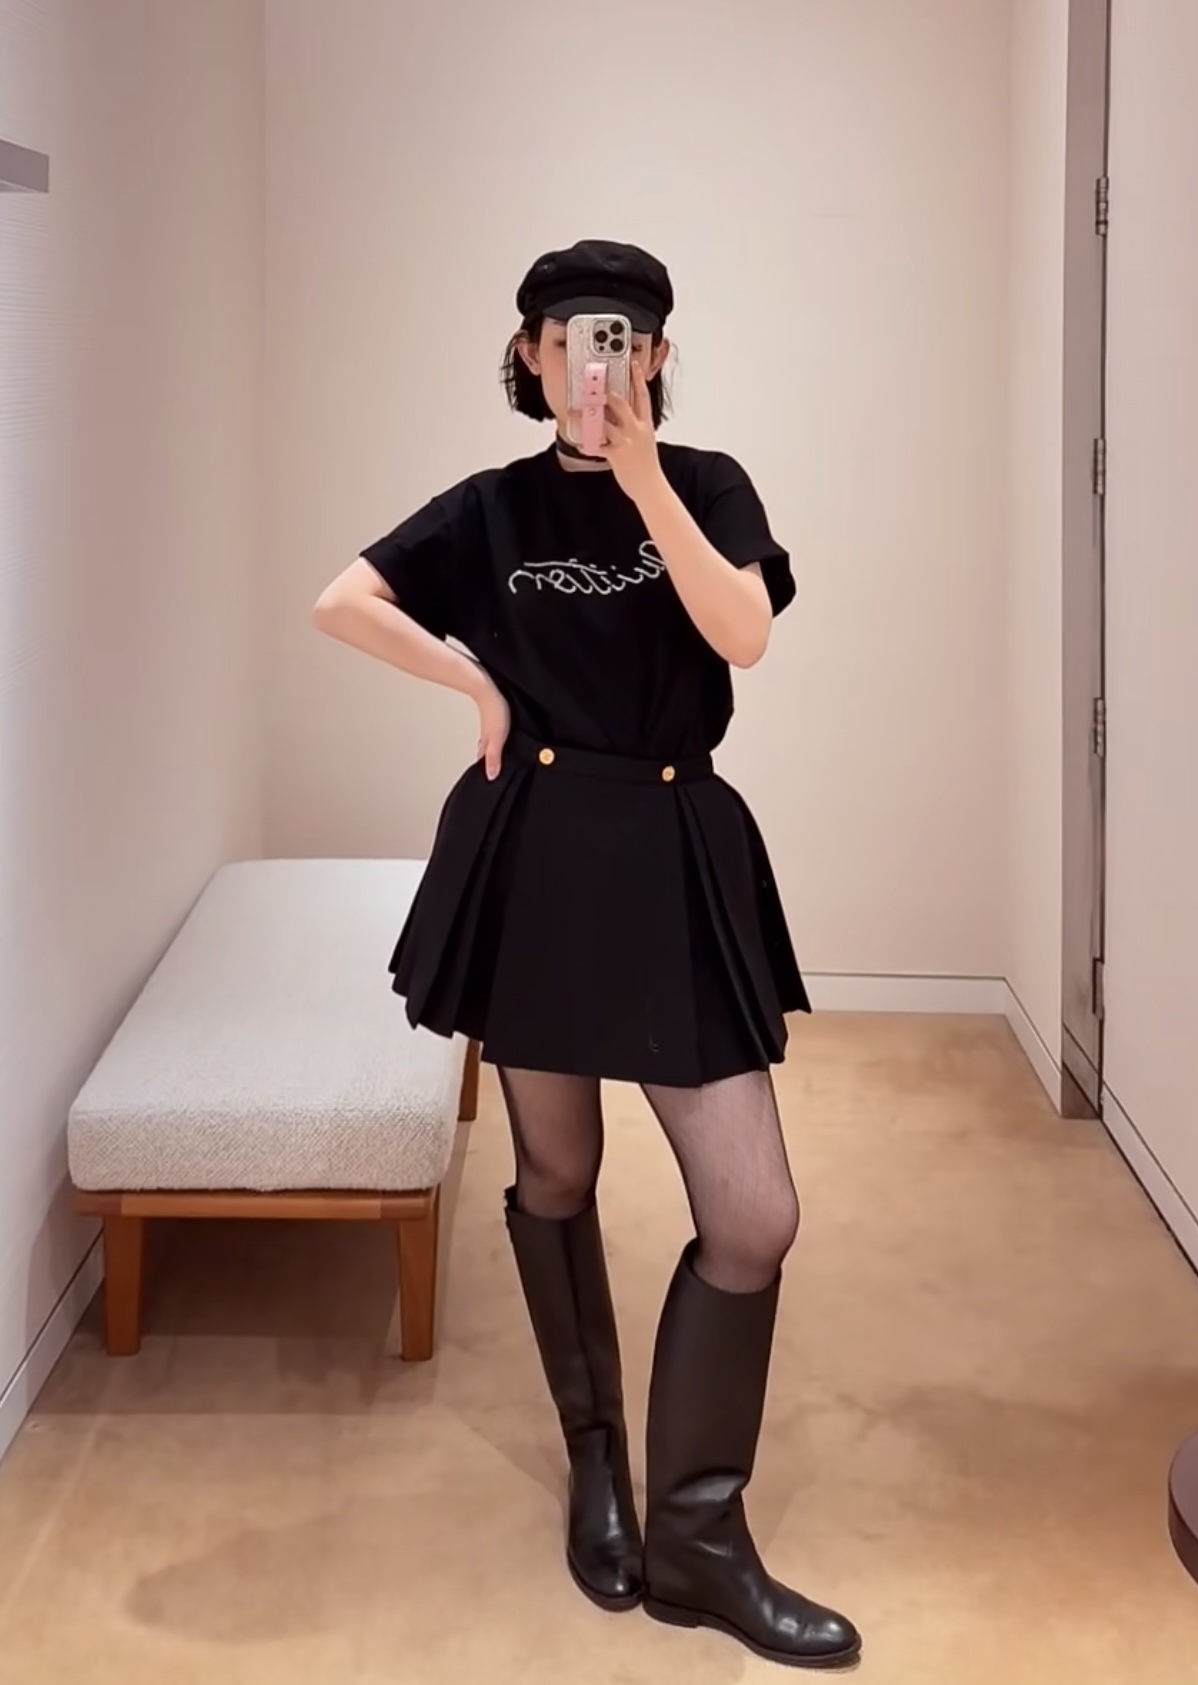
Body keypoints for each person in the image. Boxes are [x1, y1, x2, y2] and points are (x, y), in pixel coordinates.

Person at [313, 239, 862, 1672]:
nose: (592, 363)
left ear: (657, 358)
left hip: (673, 845)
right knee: (555, 1172)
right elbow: (341, 600)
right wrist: (476, 681)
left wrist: (645, 480)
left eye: (620, 337)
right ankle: (600, 1466)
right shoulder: (491, 508)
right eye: (568, 337)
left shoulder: (710, 486)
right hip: (539, 851)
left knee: (754, 1213)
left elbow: (743, 633)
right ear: (533, 354)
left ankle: (697, 1537)